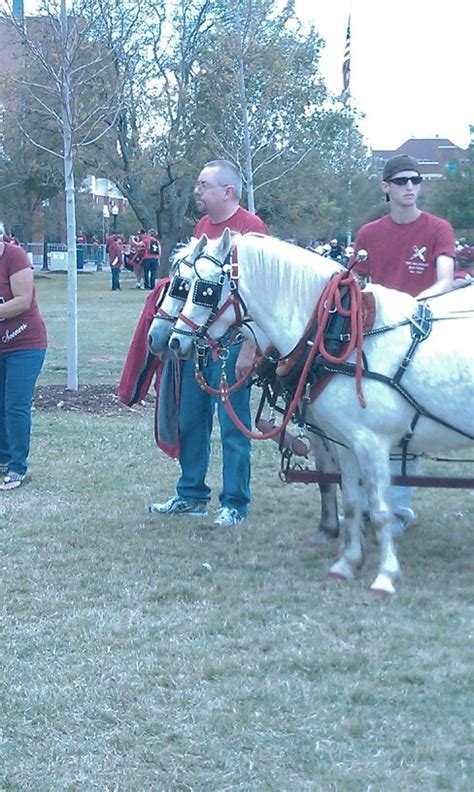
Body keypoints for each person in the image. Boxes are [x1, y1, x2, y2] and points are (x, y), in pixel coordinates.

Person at [150, 159, 269, 526]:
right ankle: (191, 495)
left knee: (232, 424)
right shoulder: (203, 228)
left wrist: (250, 347)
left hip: (233, 342)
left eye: (204, 185)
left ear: (227, 191)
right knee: (191, 419)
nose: (197, 191)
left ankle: (235, 502)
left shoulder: (252, 230)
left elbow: (261, 296)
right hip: (197, 342)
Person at [351, 154, 456, 534]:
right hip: (377, 337)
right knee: (369, 422)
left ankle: (397, 511)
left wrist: (412, 309)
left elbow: (446, 279)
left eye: (415, 180)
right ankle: (367, 504)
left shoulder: (438, 228)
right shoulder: (368, 234)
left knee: (408, 428)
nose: (410, 186)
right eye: (401, 181)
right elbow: (355, 285)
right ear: (386, 187)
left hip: (421, 334)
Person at [0, 222, 47, 490]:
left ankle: (18, 467)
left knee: (15, 405)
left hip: (25, 343)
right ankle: (3, 459)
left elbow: (22, 300)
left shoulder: (14, 256)